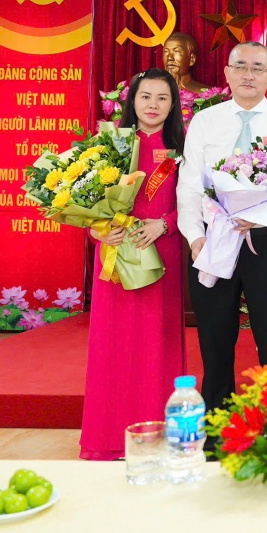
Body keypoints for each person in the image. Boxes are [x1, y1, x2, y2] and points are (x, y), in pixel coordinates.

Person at [176, 42, 267, 417]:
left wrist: (263, 215)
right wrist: (195, 237)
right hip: (213, 237)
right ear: (227, 73)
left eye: (258, 68)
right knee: (215, 334)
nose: (248, 74)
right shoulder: (206, 121)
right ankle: (218, 418)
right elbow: (188, 184)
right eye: (240, 66)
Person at [80, 69, 187, 460]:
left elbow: (197, 202)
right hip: (116, 250)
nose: (153, 105)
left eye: (162, 98)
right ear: (132, 101)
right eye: (146, 97)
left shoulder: (182, 148)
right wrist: (98, 231)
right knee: (114, 344)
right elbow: (84, 197)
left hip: (161, 251)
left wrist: (165, 224)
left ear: (173, 105)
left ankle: (159, 435)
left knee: (158, 343)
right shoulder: (110, 143)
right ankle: (107, 438)